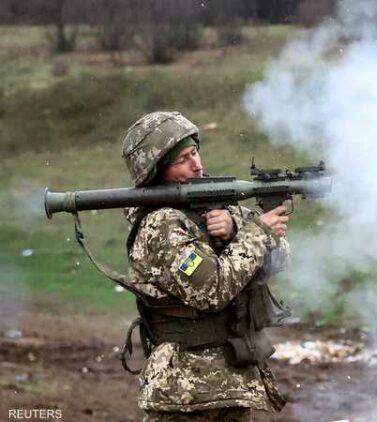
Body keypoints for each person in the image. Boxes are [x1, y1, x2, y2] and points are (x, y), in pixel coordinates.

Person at [120, 111, 291, 421]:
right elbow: (212, 290)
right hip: (186, 393)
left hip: (230, 382)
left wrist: (238, 228)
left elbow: (277, 261)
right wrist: (256, 233)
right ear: (156, 170)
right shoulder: (160, 226)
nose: (197, 164)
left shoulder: (210, 203)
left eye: (195, 152)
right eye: (182, 159)